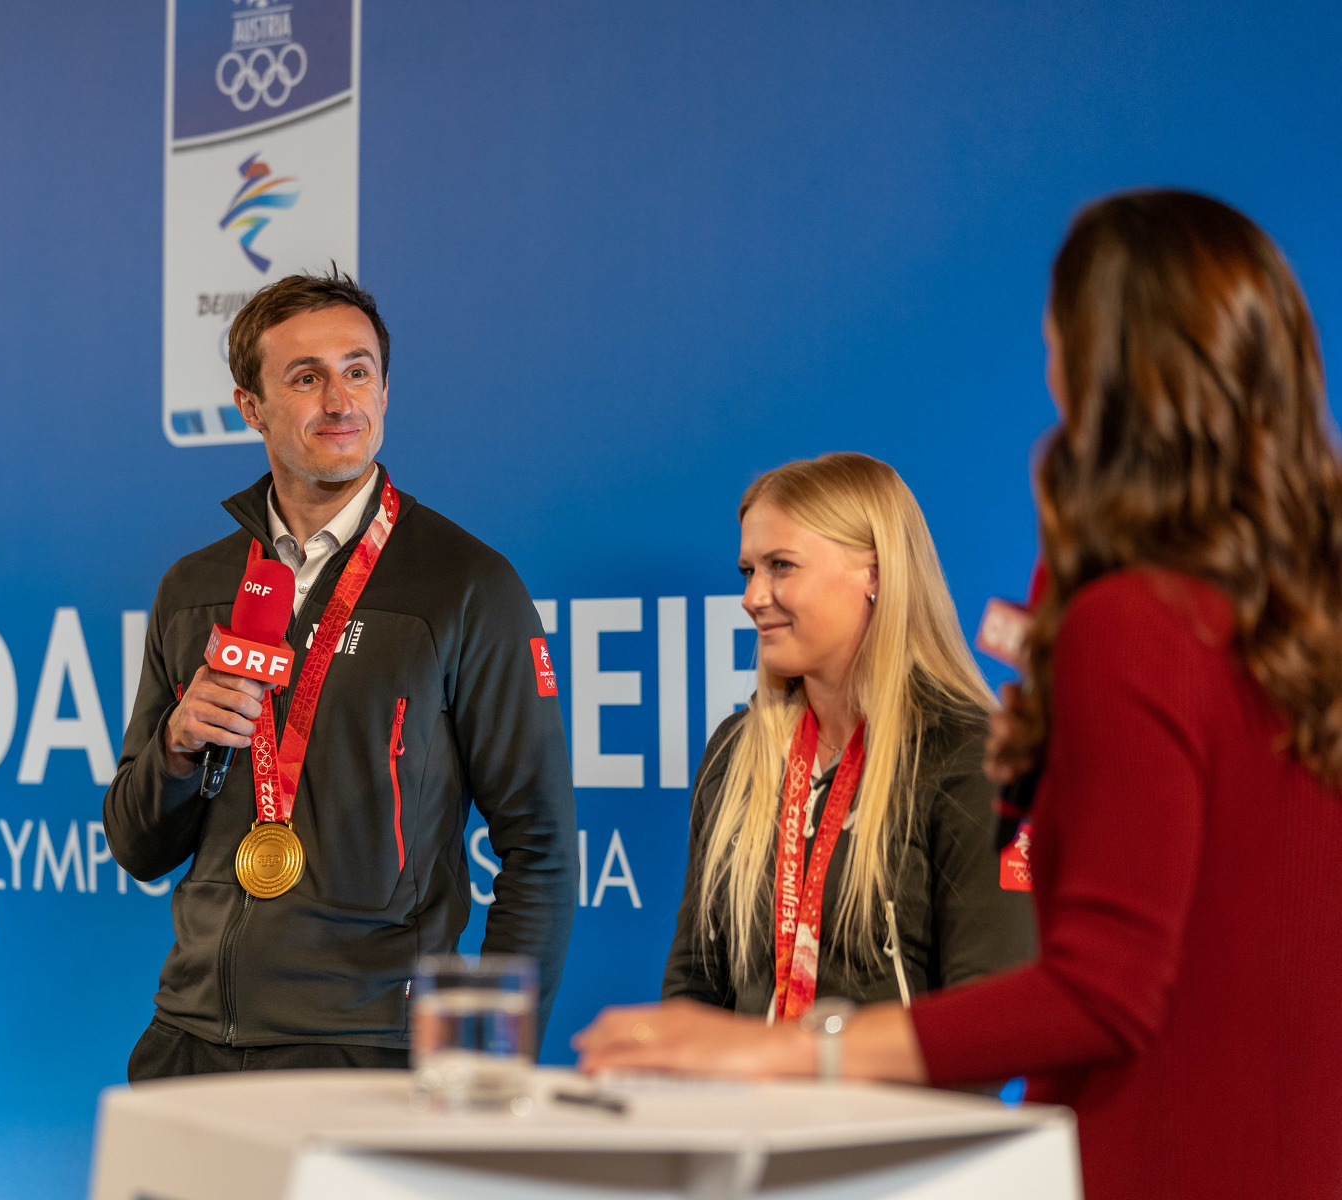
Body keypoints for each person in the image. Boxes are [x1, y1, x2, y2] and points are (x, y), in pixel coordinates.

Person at [574, 191, 1342, 1199]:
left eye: (1058, 341)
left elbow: (1103, 992)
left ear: (1110, 366)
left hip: (1154, 1155)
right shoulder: (1291, 619)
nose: (1050, 370)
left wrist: (797, 1051)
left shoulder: (1129, 626)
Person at [105, 269, 576, 1080]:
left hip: (371, 1053)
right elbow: (137, 846)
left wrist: (488, 1061)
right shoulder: (193, 589)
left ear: (386, 390)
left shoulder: (464, 584)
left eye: (358, 371)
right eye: (307, 377)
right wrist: (177, 747)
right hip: (188, 1043)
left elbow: (540, 847)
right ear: (249, 407)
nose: (340, 400)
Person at [658, 453, 1033, 1026]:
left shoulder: (971, 755)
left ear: (876, 574)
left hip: (906, 1117)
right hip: (746, 1116)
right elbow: (696, 983)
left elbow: (993, 1016)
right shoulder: (735, 751)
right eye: (748, 571)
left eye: (781, 566)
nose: (752, 597)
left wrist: (815, 1072)